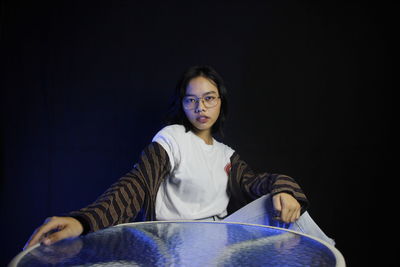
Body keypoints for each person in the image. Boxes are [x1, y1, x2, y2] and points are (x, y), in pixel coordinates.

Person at [24, 65, 334, 250]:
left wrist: (285, 189)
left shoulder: (226, 156)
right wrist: (83, 221)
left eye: (209, 98)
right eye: (192, 100)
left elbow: (258, 183)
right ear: (183, 105)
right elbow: (135, 186)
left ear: (220, 103)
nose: (201, 107)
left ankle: (327, 254)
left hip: (218, 240)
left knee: (279, 198)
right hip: (175, 242)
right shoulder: (172, 137)